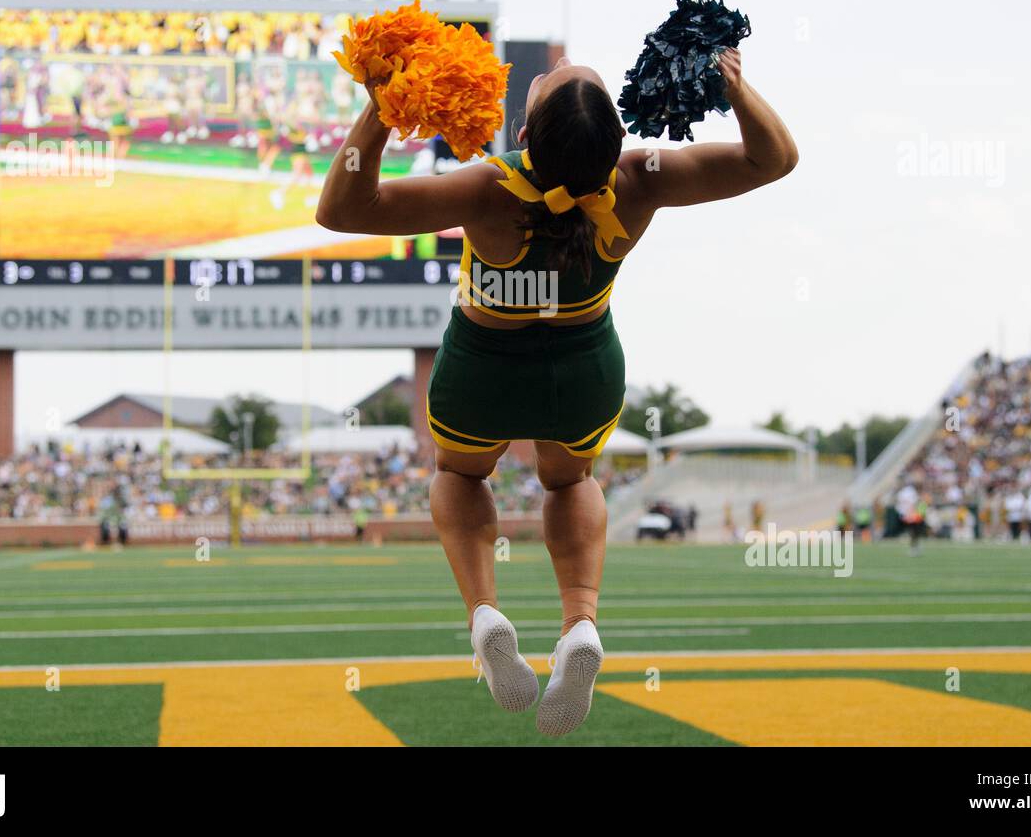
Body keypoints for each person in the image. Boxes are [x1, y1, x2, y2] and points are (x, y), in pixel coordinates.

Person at [315, 49, 797, 735]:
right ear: (618, 141)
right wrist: (734, 86)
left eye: (552, 81)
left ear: (523, 140)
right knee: (570, 484)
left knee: (458, 474)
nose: (563, 61)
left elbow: (341, 209)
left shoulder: (488, 188)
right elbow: (772, 159)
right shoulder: (639, 178)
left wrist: (380, 109)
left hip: (483, 367)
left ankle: (485, 614)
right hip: (583, 369)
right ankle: (580, 625)